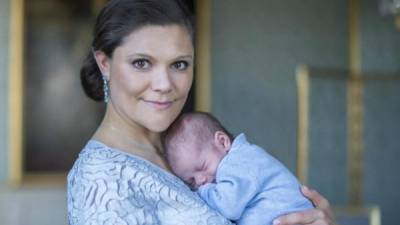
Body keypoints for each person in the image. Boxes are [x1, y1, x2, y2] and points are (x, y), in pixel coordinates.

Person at [67, 0, 338, 224]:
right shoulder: (101, 183)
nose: (164, 85)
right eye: (142, 63)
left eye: (179, 65)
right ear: (104, 63)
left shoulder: (190, 147)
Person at [163, 112, 314, 225]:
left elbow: (229, 207)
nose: (201, 180)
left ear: (222, 142)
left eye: (202, 166)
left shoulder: (239, 160)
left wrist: (202, 192)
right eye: (191, 181)